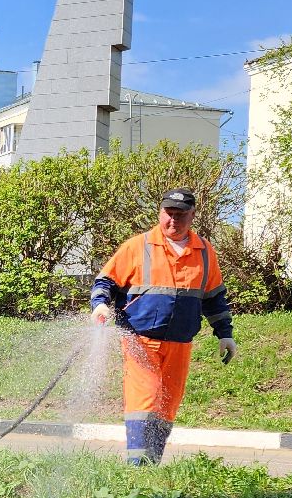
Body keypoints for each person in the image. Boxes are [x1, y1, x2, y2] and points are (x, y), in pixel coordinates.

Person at [90, 188, 239, 465]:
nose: (173, 220)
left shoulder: (205, 253)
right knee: (144, 401)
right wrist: (100, 304)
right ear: (160, 213)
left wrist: (225, 335)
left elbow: (214, 298)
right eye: (168, 214)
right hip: (139, 339)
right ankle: (137, 469)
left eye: (180, 215)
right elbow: (105, 282)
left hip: (180, 343)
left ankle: (152, 463)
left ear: (192, 216)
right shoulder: (137, 246)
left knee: (167, 405)